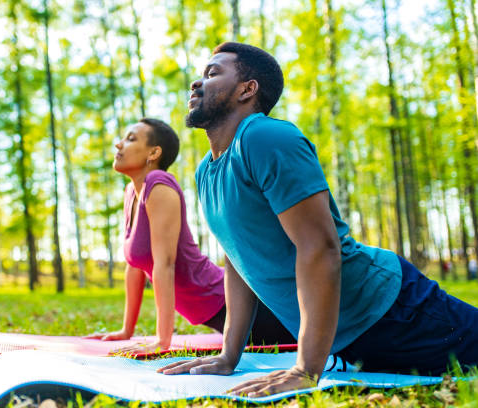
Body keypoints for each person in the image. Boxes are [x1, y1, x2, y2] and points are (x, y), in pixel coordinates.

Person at [159, 42, 478, 396]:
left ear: (247, 89)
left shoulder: (264, 137)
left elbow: (320, 247)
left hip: (396, 310)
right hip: (355, 343)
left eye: (213, 73)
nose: (197, 83)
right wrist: (228, 355)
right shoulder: (206, 171)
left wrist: (306, 369)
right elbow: (239, 260)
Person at [85, 118, 295, 353]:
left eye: (131, 139)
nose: (119, 145)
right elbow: (135, 266)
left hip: (235, 304)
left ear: (154, 153)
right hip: (219, 310)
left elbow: (165, 264)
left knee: (310, 336)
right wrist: (126, 331)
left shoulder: (158, 184)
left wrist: (162, 341)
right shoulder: (132, 193)